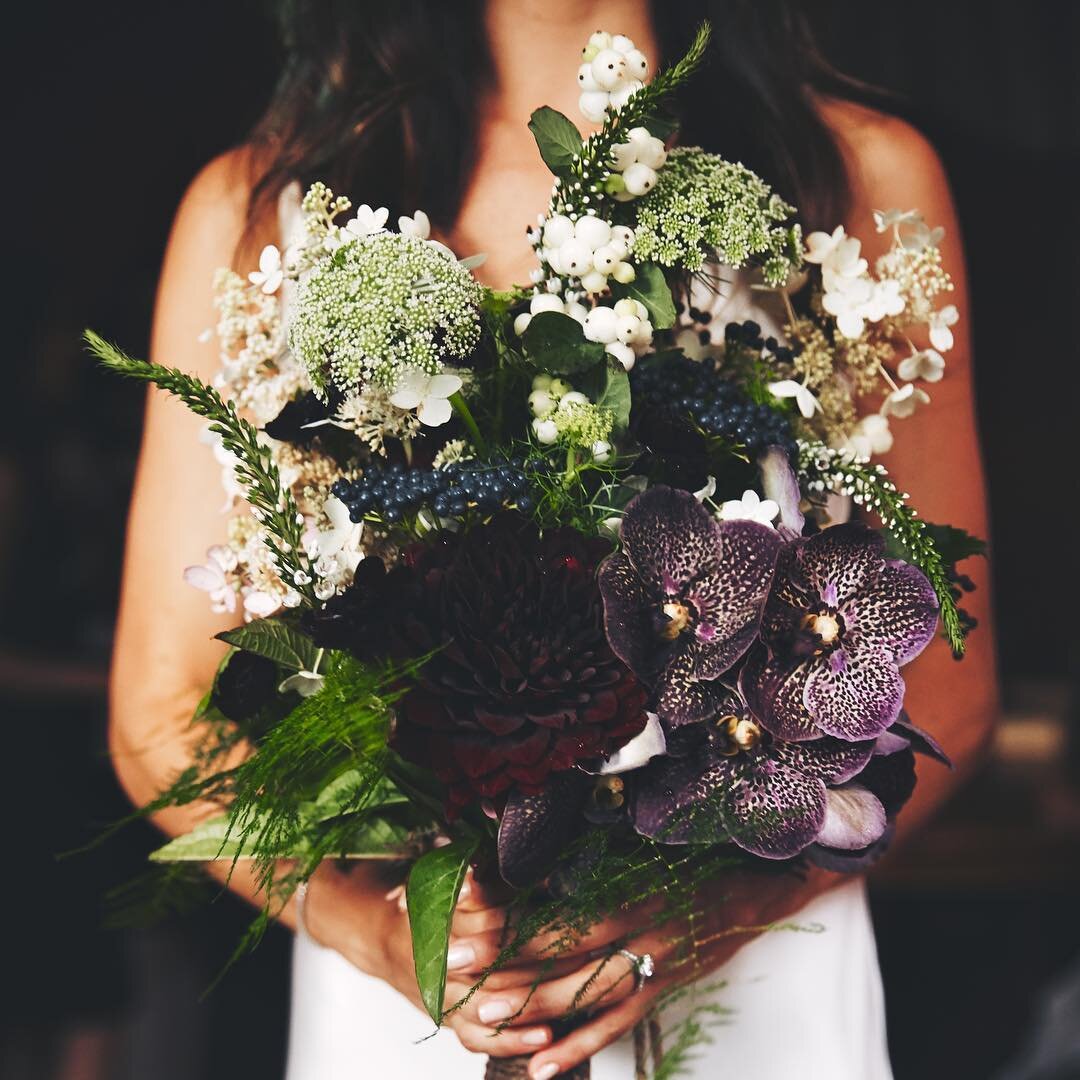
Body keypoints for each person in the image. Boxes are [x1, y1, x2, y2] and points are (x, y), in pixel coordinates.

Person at [109, 1, 998, 1076]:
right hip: (428, 1003)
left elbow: (948, 674)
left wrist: (724, 905)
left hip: (753, 989)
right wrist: (388, 934)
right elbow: (158, 714)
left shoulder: (858, 178)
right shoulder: (258, 211)